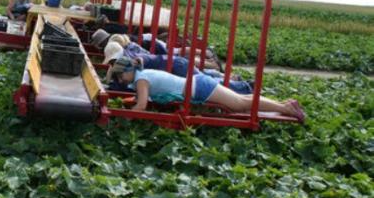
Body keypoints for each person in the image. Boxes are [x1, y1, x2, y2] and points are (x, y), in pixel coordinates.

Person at [109, 56, 305, 121]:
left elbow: (142, 106)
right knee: (240, 102)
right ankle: (285, 105)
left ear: (129, 70)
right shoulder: (142, 76)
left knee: (239, 103)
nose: (120, 79)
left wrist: (121, 116)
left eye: (120, 75)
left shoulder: (141, 79)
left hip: (199, 87)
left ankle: (286, 108)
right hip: (197, 85)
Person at [103, 42, 253, 94]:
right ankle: (237, 82)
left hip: (176, 66)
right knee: (206, 80)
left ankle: (244, 87)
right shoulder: (128, 57)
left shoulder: (131, 61)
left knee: (207, 84)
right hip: (175, 64)